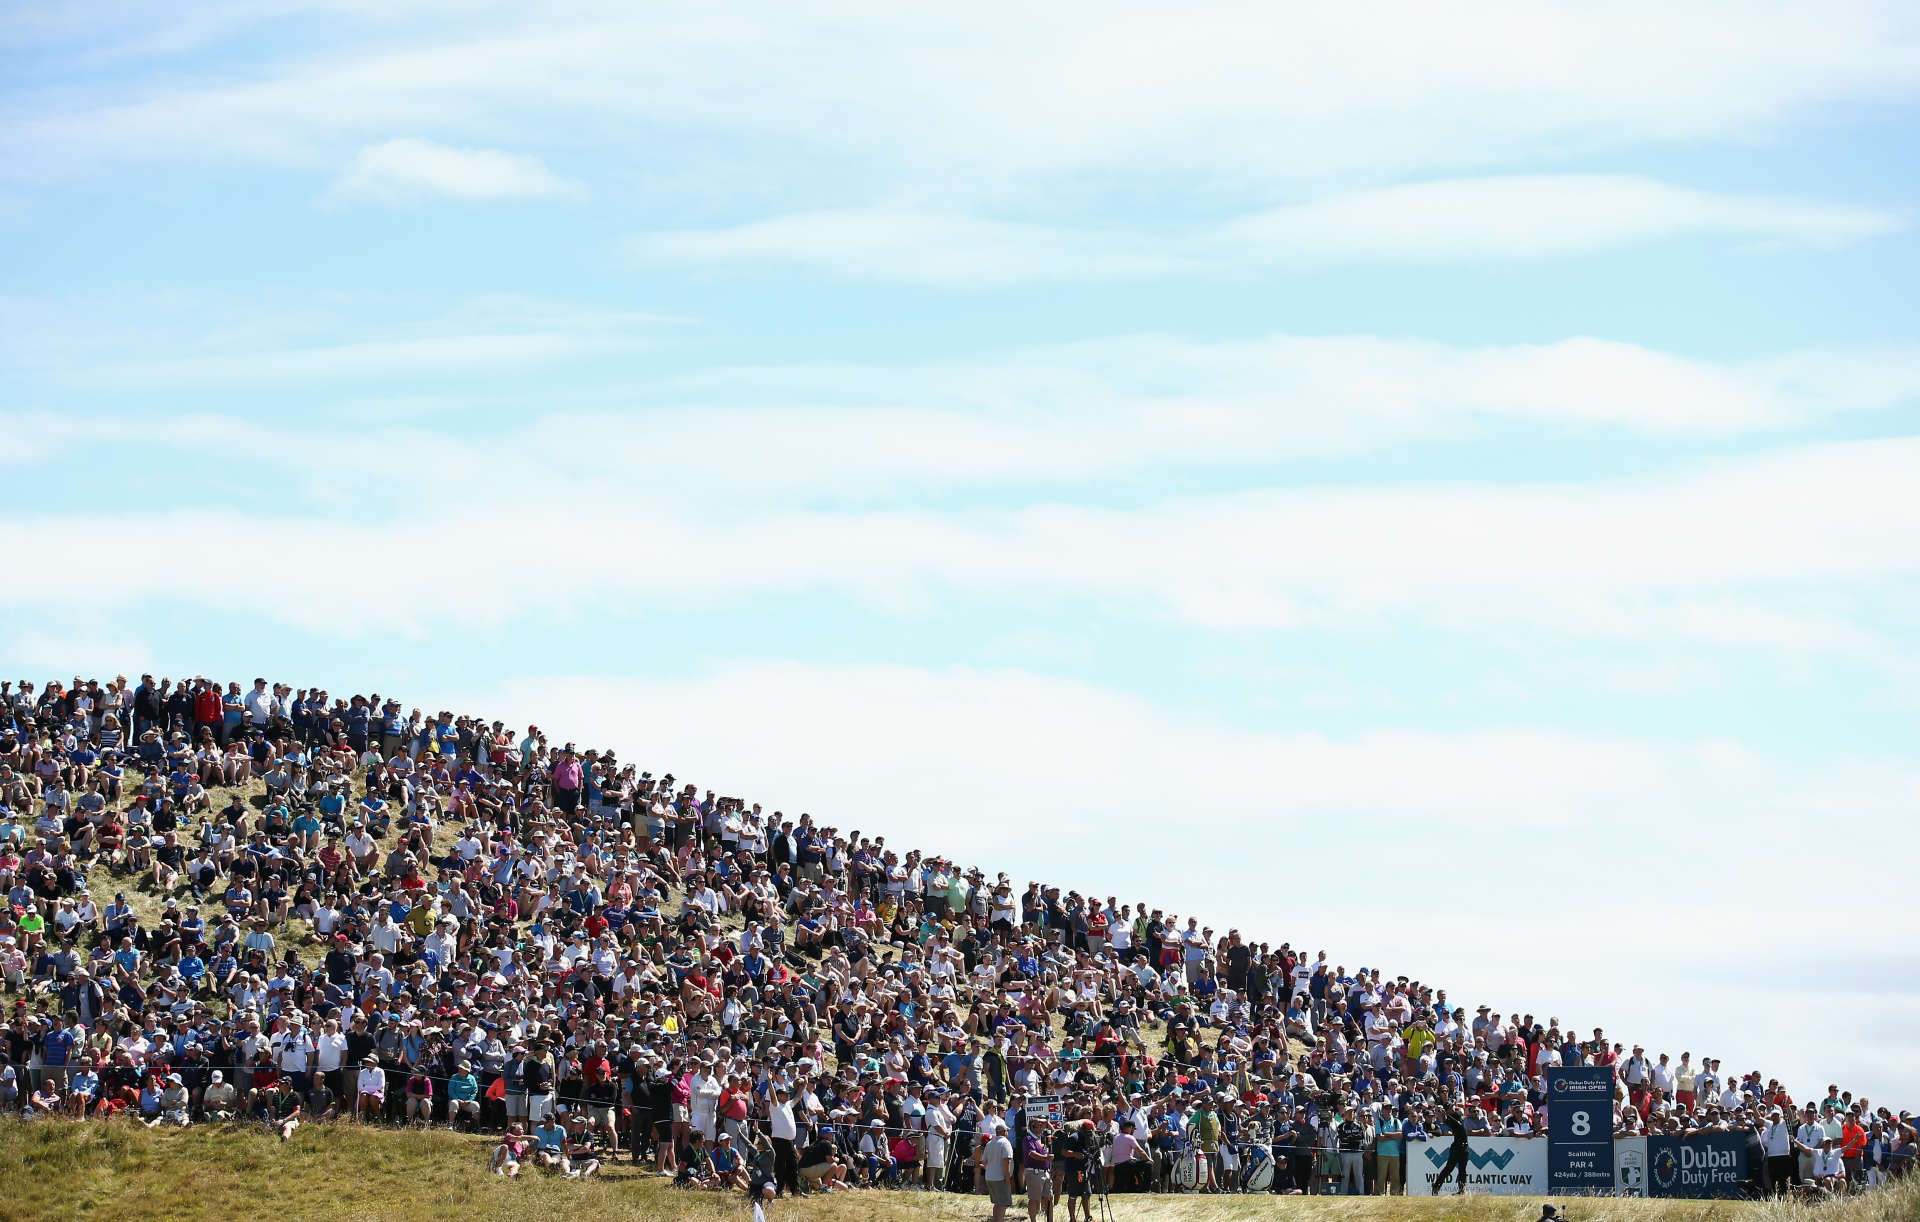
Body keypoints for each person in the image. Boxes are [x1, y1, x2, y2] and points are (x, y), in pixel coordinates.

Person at [1431, 1105, 1470, 1195]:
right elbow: (1445, 1121)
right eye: (1451, 1107)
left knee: (1462, 1170)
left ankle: (1461, 1190)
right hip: (1457, 1147)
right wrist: (1444, 1115)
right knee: (1448, 1169)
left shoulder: (1457, 1114)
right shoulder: (1450, 1120)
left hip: (1465, 1148)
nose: (1453, 1108)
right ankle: (1436, 1187)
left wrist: (1447, 1114)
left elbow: (1461, 1112)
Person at [983, 1118, 1016, 1222]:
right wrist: (1007, 1177)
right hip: (1000, 1178)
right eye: (1007, 1131)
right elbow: (1006, 1161)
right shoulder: (1005, 1143)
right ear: (1004, 1132)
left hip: (989, 1177)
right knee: (1003, 1204)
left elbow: (984, 1162)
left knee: (997, 1203)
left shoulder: (989, 1143)